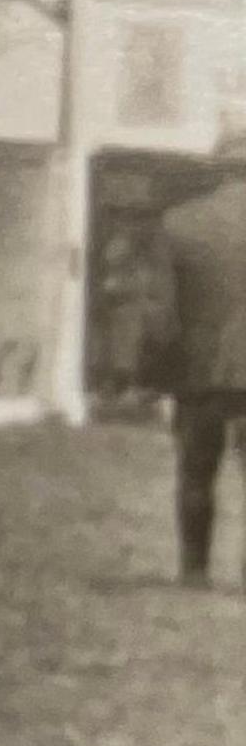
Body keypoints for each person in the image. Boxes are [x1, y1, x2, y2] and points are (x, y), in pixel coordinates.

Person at [147, 120, 246, 586]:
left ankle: (194, 570)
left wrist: (160, 375)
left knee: (195, 471)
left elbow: (161, 318)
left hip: (200, 366)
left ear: (218, 168)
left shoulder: (179, 222)